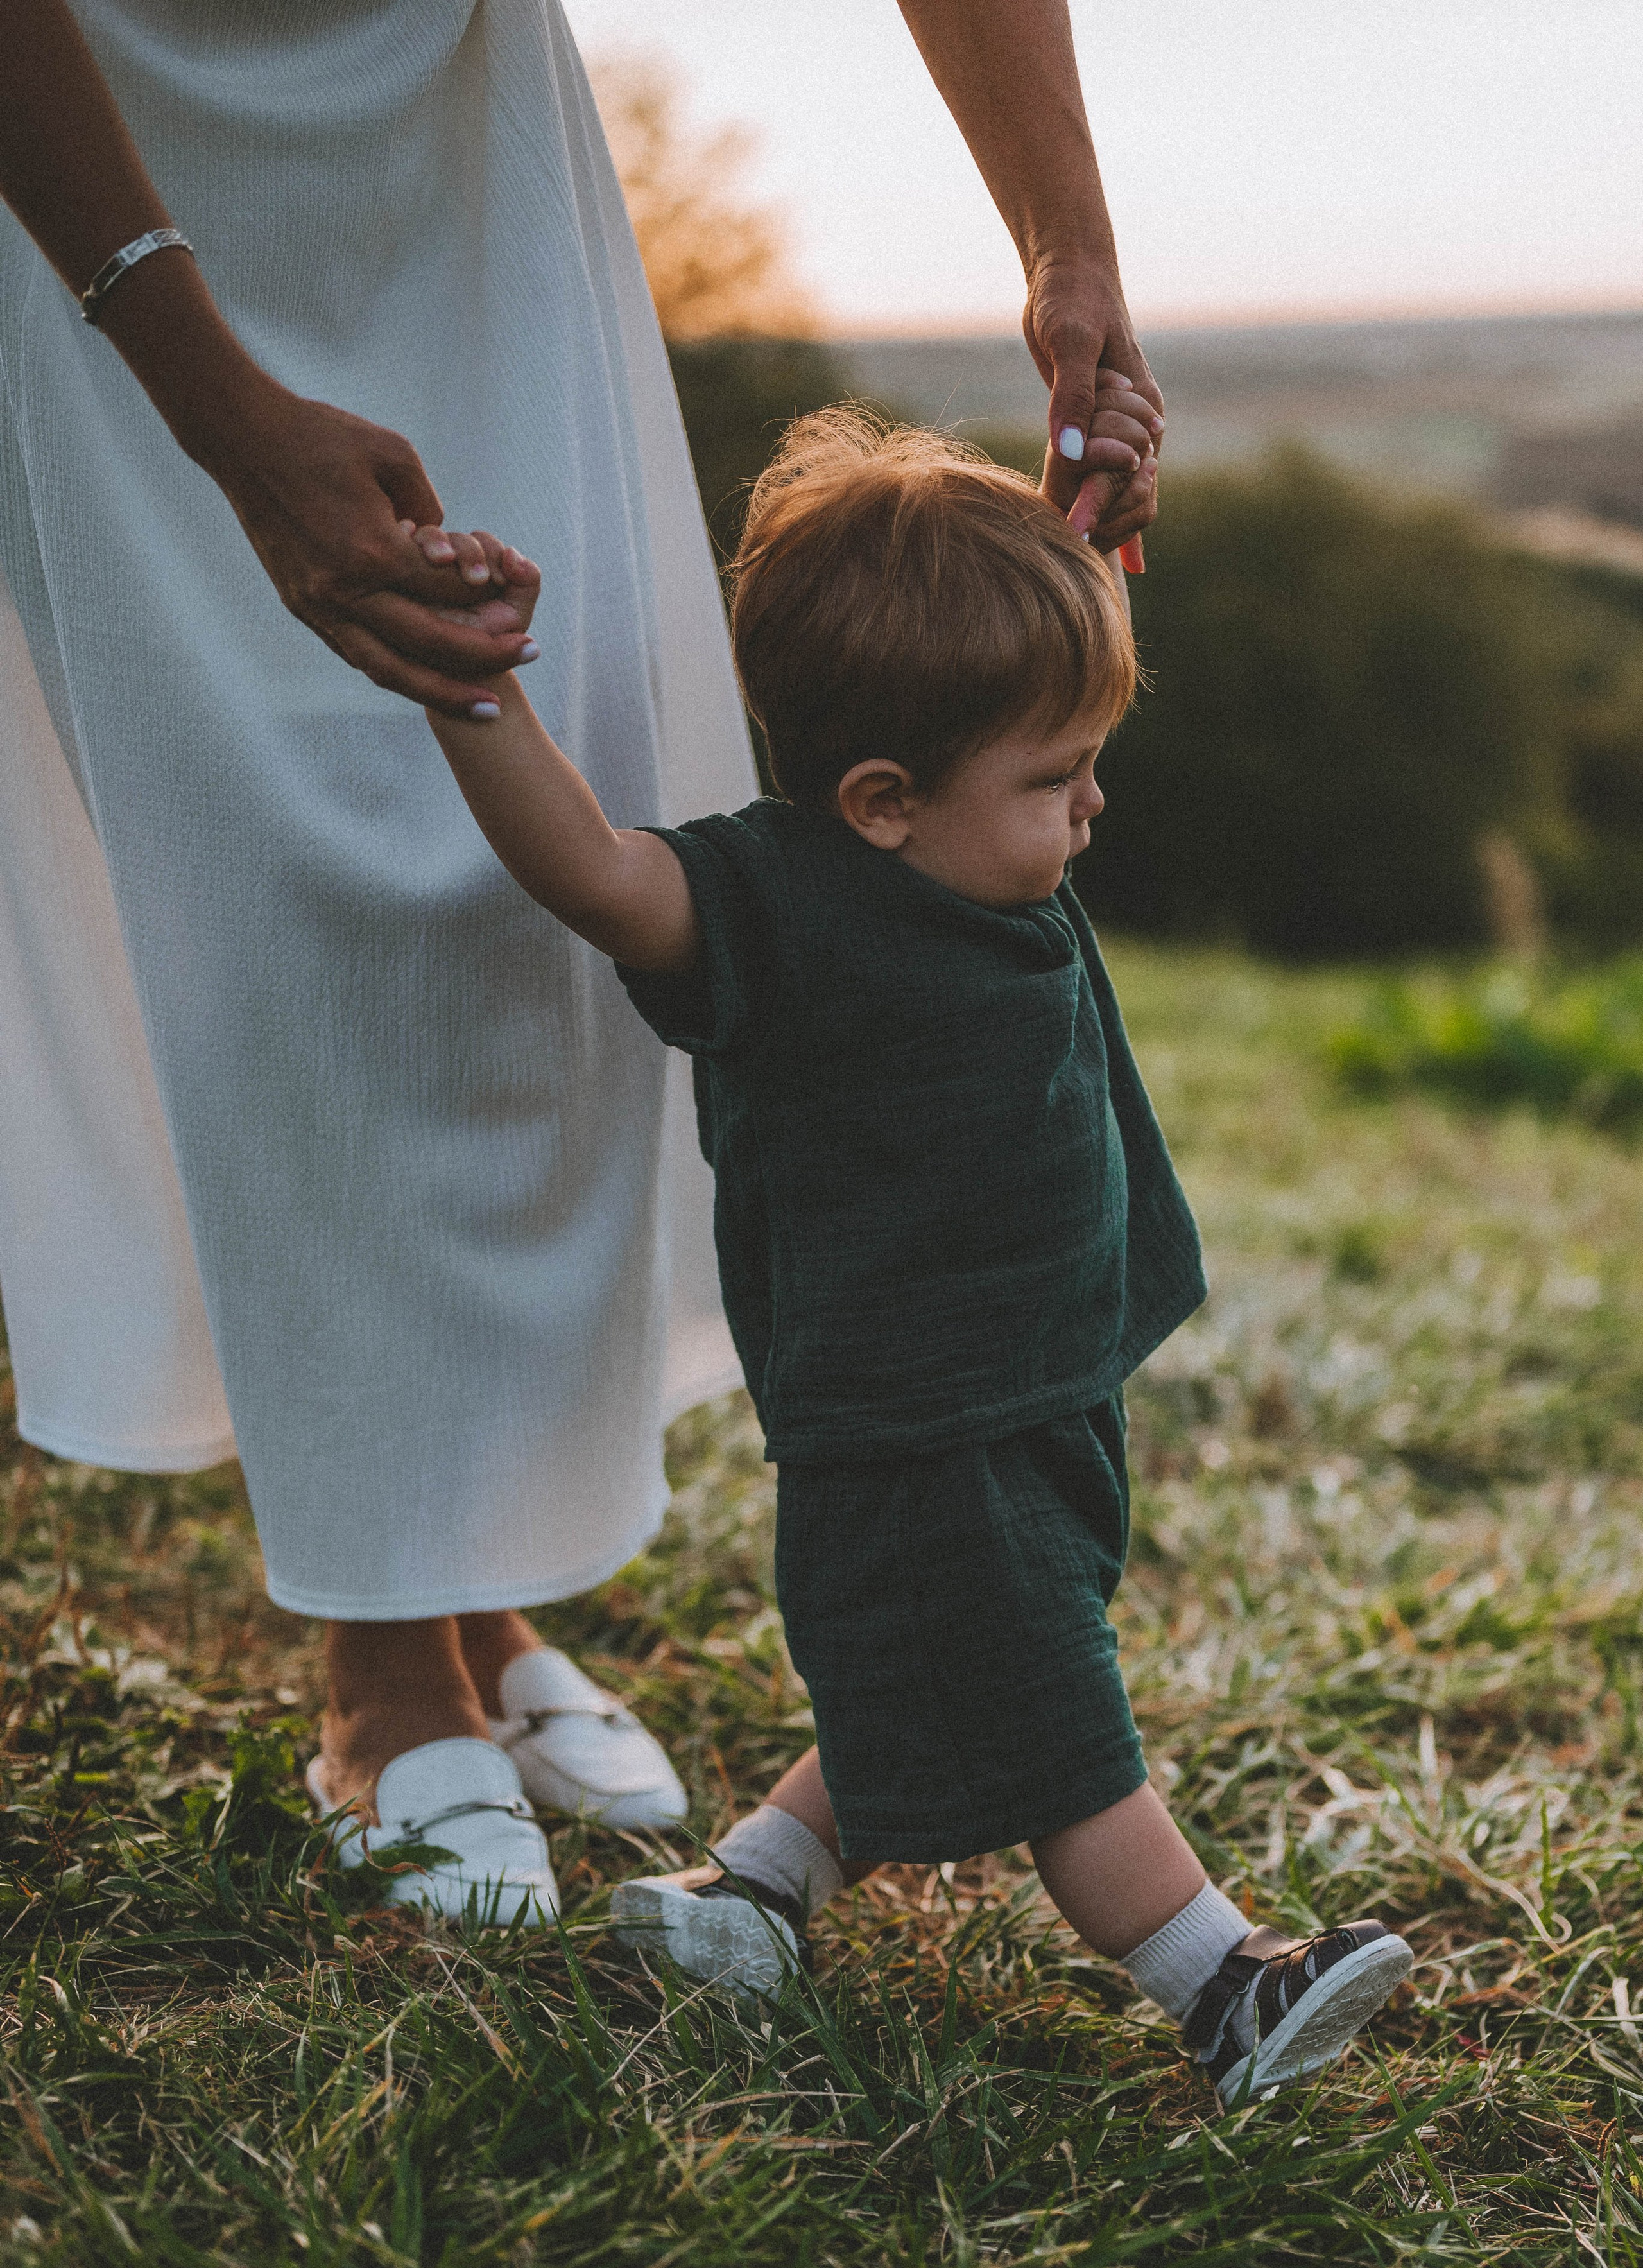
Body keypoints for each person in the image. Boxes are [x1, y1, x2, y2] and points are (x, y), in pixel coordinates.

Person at [0, 0, 1160, 1920]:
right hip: (100, 174)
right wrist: (204, 387)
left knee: (507, 927)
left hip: (463, 147)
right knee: (290, 883)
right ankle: (383, 1656)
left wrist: (1072, 247)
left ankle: (469, 1589)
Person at [415, 411, 1415, 2104]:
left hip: (1039, 1378)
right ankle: (1219, 1979)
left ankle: (751, 1891)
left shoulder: (964, 817)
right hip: (910, 1415)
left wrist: (1073, 522)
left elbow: (987, 652)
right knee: (1050, 1720)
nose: (1092, 806)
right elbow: (591, 873)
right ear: (877, 801)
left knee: (958, 1666)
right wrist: (470, 690)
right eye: (1055, 778)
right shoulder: (779, 910)